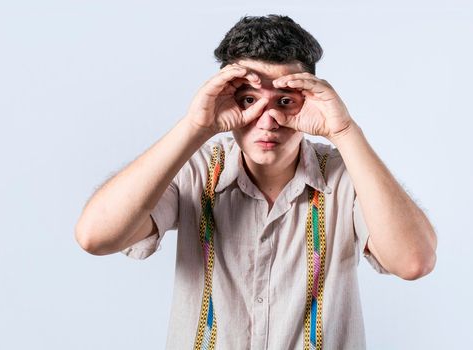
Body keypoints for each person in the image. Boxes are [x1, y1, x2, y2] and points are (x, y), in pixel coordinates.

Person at [75, 14, 437, 349]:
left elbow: (413, 261)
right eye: (249, 100)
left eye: (284, 101)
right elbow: (95, 236)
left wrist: (343, 130)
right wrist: (195, 127)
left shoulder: (345, 176)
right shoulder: (197, 170)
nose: (268, 120)